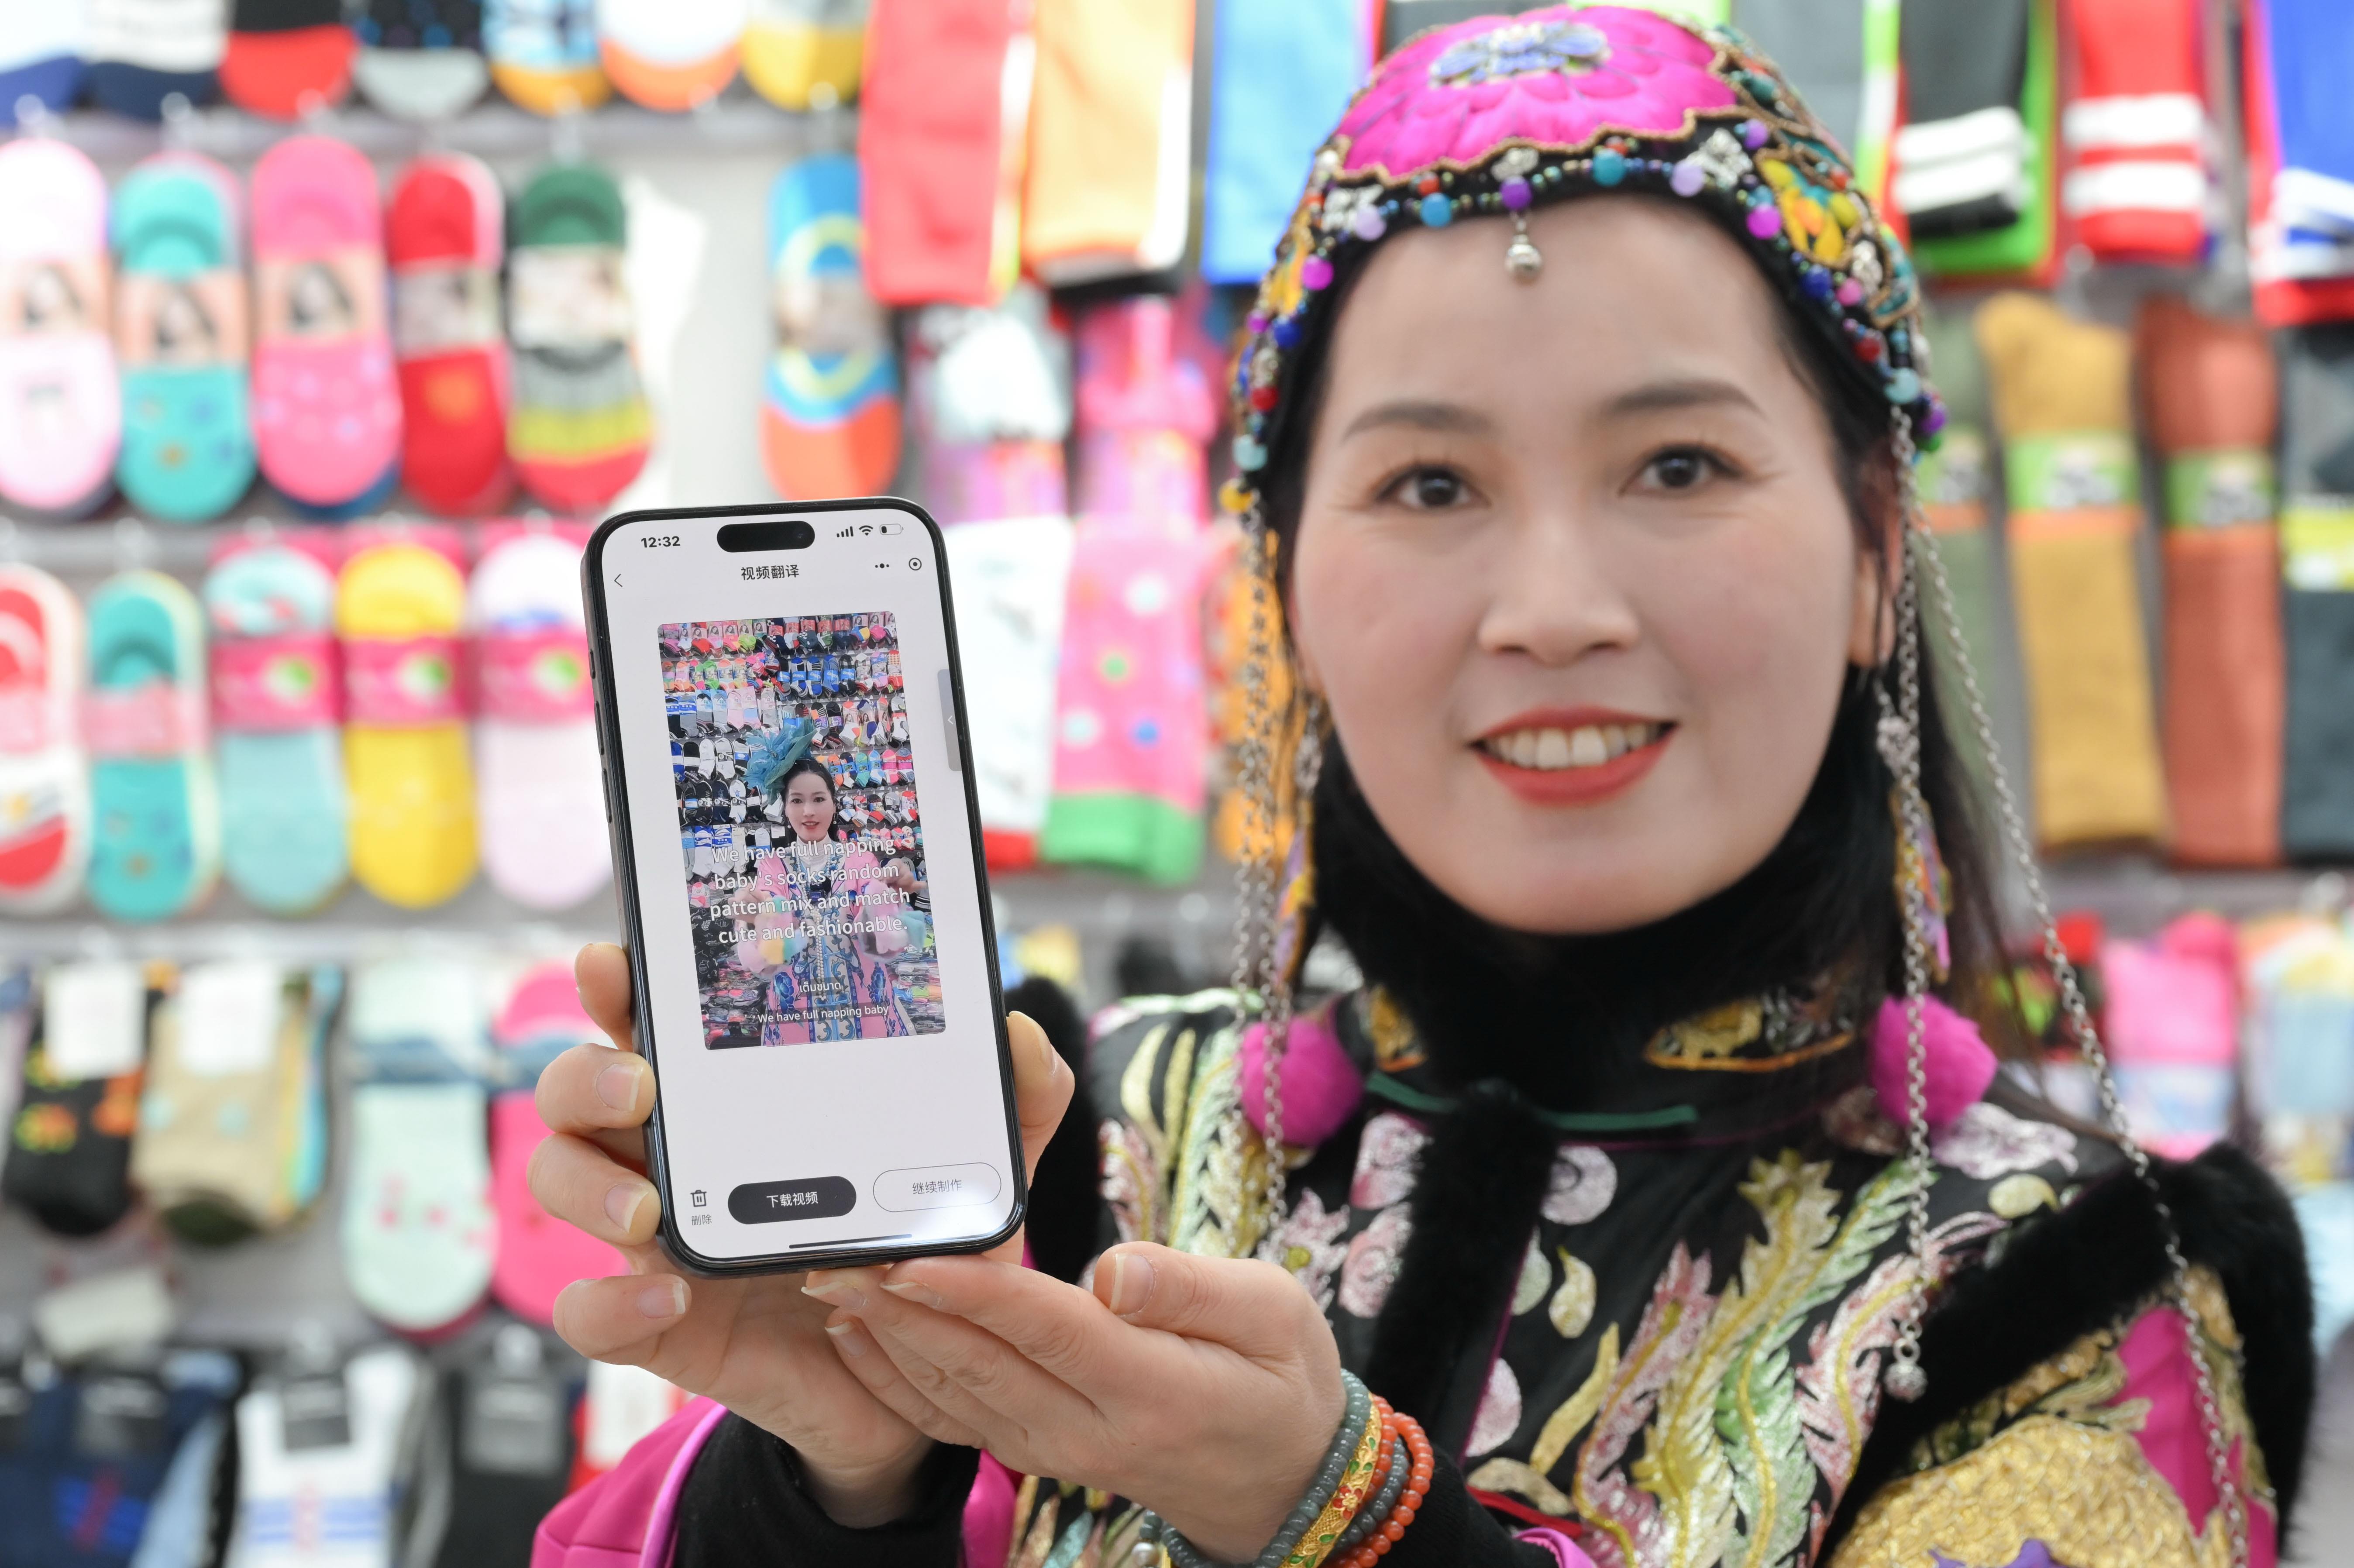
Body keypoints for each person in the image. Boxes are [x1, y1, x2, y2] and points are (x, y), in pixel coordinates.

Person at [528, 10, 2315, 1566]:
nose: (1551, 609)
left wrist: (1341, 1520)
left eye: (1677, 464)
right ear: (1288, 586)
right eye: (1431, 487)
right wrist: (846, 1485)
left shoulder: (2072, 1286)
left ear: (1871, 552)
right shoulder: (1069, 1144)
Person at [734, 752, 919, 1043]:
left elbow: (881, 941)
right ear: (785, 808)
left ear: (834, 804)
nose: (808, 811)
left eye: (819, 799)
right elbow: (768, 952)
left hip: (867, 1014)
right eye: (797, 801)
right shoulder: (772, 867)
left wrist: (886, 895)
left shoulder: (860, 860)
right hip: (796, 1021)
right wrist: (754, 916)